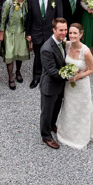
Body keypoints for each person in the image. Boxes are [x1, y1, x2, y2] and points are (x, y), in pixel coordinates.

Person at [26, 0, 63, 89]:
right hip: (37, 32)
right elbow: (29, 17)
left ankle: (52, 75)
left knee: (52, 55)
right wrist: (28, 33)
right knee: (38, 55)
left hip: (51, 33)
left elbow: (59, 17)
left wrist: (59, 33)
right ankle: (36, 76)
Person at [39, 18, 69, 149]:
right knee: (47, 111)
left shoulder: (62, 42)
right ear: (54, 30)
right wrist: (70, 76)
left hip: (60, 85)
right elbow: (52, 71)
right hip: (50, 85)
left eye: (65, 30)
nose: (64, 33)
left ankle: (52, 125)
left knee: (56, 108)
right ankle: (46, 136)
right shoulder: (47, 48)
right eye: (61, 30)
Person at [0, 0, 30, 90]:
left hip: (22, 32)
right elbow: (3, 18)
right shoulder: (8, 2)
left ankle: (18, 71)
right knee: (10, 55)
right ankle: (10, 77)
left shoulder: (28, 2)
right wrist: (1, 32)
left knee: (20, 53)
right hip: (10, 32)